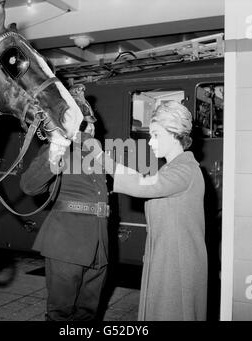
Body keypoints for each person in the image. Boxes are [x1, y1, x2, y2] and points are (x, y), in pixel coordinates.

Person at [50, 100, 207, 321]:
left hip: (177, 263)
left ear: (174, 134)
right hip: (167, 257)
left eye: (155, 135)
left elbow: (143, 184)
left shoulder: (185, 169)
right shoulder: (174, 168)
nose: (151, 142)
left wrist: (98, 156)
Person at [20, 84, 109, 321]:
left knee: (88, 314)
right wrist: (54, 154)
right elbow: (29, 186)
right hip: (67, 244)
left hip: (98, 244)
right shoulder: (58, 149)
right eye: (83, 124)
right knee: (60, 314)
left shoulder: (96, 154)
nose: (90, 127)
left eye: (91, 123)